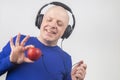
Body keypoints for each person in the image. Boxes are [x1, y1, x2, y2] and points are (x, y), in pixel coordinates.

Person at [0, 1, 87, 80]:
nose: (53, 25)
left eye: (59, 24)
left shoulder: (66, 59)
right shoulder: (19, 43)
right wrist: (10, 61)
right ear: (40, 21)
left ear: (66, 31)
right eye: (49, 20)